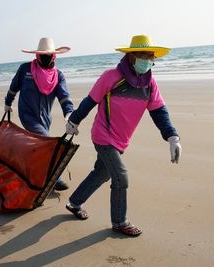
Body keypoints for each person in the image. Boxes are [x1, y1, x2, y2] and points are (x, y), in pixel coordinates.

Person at [64, 35, 182, 236]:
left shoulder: (150, 84)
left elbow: (159, 112)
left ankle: (74, 202)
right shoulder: (111, 77)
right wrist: (73, 121)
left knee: (101, 173)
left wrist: (172, 137)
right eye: (142, 55)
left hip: (121, 140)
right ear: (131, 56)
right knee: (121, 177)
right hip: (103, 135)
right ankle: (119, 222)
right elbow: (89, 101)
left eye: (150, 55)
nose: (147, 59)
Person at [4, 37, 74, 191]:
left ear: (54, 56)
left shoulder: (58, 76)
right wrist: (7, 103)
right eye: (43, 55)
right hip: (28, 115)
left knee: (38, 146)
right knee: (49, 144)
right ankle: (56, 179)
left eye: (49, 55)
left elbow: (64, 97)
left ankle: (28, 171)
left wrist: (69, 113)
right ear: (37, 55)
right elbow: (13, 87)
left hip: (45, 118)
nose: (46, 57)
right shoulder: (25, 69)